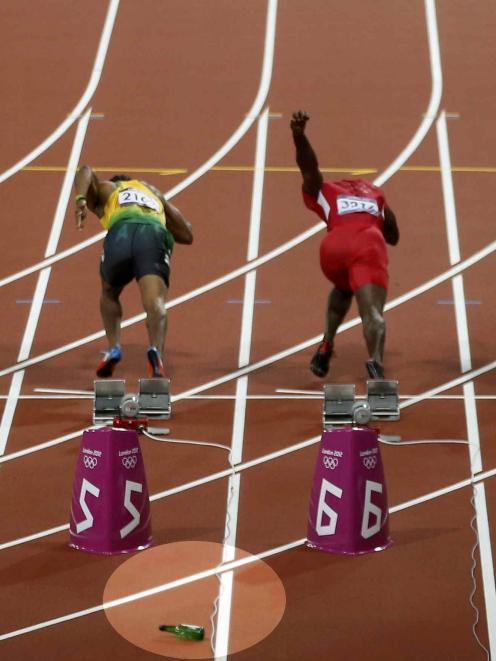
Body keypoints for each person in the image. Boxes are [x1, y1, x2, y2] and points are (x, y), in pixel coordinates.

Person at [290, 110, 399, 379]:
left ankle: (327, 342)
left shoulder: (327, 191)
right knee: (372, 312)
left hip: (333, 252)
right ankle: (375, 362)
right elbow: (394, 236)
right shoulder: (376, 196)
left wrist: (299, 136)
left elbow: (309, 169)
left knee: (344, 286)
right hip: (367, 247)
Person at [73, 167, 193, 378]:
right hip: (153, 234)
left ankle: (114, 348)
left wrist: (81, 199)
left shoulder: (107, 189)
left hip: (122, 232)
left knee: (109, 292)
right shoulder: (152, 192)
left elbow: (85, 170)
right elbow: (186, 234)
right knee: (155, 301)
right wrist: (161, 206)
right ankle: (156, 352)